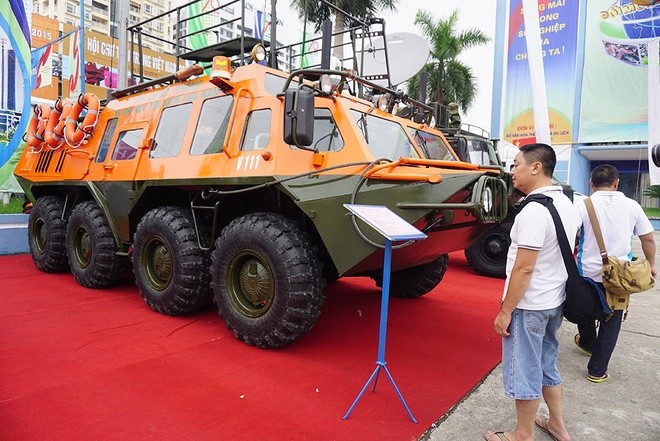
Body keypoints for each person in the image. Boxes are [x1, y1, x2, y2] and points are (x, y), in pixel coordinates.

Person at [486, 143, 576, 441]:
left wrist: (505, 311)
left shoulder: (534, 211)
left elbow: (524, 269)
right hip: (554, 300)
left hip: (530, 304)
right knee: (547, 363)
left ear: (536, 167)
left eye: (516, 164)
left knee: (524, 368)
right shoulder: (566, 203)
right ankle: (557, 425)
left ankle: (522, 433)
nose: (512, 171)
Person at [573, 165, 656, 383]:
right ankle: (597, 371)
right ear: (617, 183)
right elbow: (648, 238)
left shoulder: (582, 205)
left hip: (587, 273)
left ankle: (588, 343)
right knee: (612, 320)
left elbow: (569, 234)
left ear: (591, 183)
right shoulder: (632, 206)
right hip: (619, 275)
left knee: (585, 309)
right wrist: (651, 265)